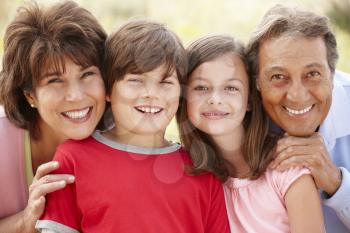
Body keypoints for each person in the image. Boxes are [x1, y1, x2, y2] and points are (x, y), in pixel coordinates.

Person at [35, 19, 230, 233]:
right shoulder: (72, 159)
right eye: (136, 80)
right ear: (108, 90)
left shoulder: (201, 171)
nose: (151, 93)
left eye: (165, 83)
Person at [177, 35, 325, 232]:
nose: (215, 99)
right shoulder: (190, 172)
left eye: (231, 88)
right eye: (201, 88)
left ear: (249, 100)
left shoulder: (287, 168)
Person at [0, 1, 107, 232]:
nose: (76, 96)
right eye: (55, 80)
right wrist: (26, 220)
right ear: (30, 95)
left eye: (87, 74)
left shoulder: (123, 138)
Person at [245, 4, 350, 232]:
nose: (297, 96)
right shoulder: (240, 119)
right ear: (257, 82)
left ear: (332, 75)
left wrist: (336, 182)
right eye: (278, 76)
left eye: (312, 74)